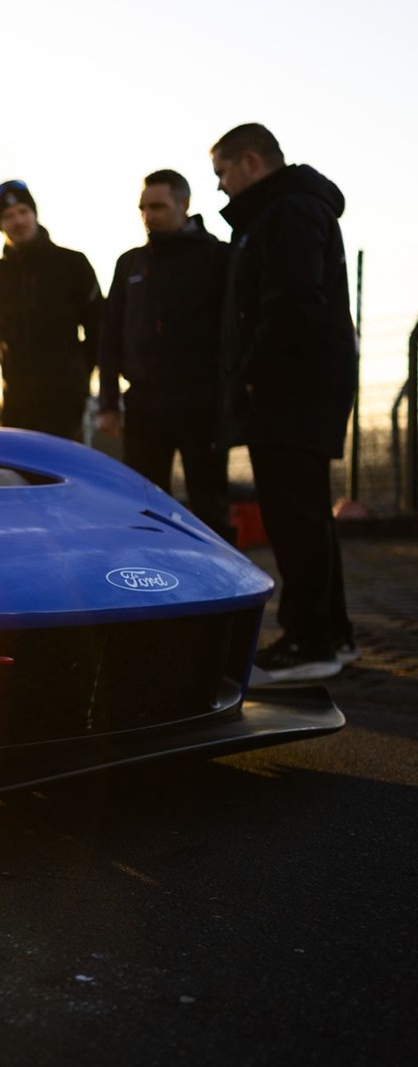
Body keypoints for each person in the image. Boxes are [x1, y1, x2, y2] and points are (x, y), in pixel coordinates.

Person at [211, 122, 358, 682]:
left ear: (250, 162)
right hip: (300, 383)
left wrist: (253, 376)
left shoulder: (288, 211)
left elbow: (292, 303)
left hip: (290, 387)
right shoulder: (283, 210)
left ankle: (308, 640)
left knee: (293, 515)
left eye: (223, 172)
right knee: (307, 515)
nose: (221, 187)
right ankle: (332, 635)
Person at [96, 169, 233, 539]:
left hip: (202, 402)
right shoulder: (130, 264)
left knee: (210, 505)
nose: (148, 215)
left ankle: (225, 589)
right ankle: (153, 583)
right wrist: (108, 402)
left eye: (157, 206)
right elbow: (109, 335)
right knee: (143, 506)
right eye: (142, 208)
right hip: (144, 404)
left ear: (184, 204)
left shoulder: (218, 257)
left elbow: (234, 330)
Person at [0, 180, 104, 440]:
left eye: (23, 212)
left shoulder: (72, 264)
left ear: (34, 214)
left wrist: (80, 374)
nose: (18, 221)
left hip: (65, 397)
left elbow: (98, 326)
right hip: (17, 399)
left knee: (64, 469)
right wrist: (11, 367)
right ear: (0, 224)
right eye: (9, 216)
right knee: (17, 473)